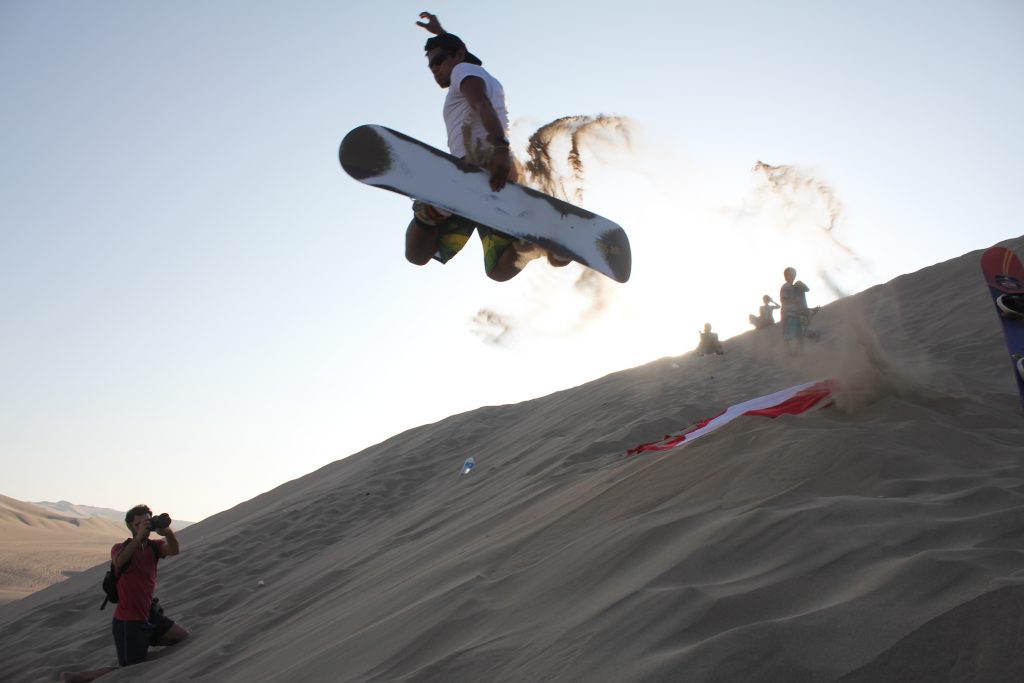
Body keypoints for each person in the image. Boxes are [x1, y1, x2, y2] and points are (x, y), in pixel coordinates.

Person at [407, 12, 567, 282]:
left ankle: (433, 210)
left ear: (458, 55)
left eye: (437, 61)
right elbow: (463, 56)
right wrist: (439, 32)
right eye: (430, 65)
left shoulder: (462, 72)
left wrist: (500, 148)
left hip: (474, 167)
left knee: (416, 253)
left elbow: (481, 103)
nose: (434, 68)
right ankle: (539, 243)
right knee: (498, 270)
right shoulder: (473, 70)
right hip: (499, 179)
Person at [59, 505, 189, 683]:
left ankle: (148, 640)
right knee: (129, 671)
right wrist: (138, 539)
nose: (144, 527)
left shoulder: (154, 547)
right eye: (138, 524)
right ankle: (76, 677)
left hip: (149, 615)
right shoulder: (120, 548)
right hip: (128, 621)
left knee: (183, 638)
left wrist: (167, 532)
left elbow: (174, 550)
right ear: (130, 527)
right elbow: (119, 562)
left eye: (147, 522)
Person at [780, 267, 812, 354]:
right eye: (792, 274)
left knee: (800, 336)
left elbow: (807, 290)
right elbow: (783, 299)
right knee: (788, 336)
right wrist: (795, 300)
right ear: (786, 276)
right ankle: (789, 353)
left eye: (794, 273)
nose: (794, 275)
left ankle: (798, 354)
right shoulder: (785, 286)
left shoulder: (795, 287)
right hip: (788, 314)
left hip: (796, 314)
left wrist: (801, 284)